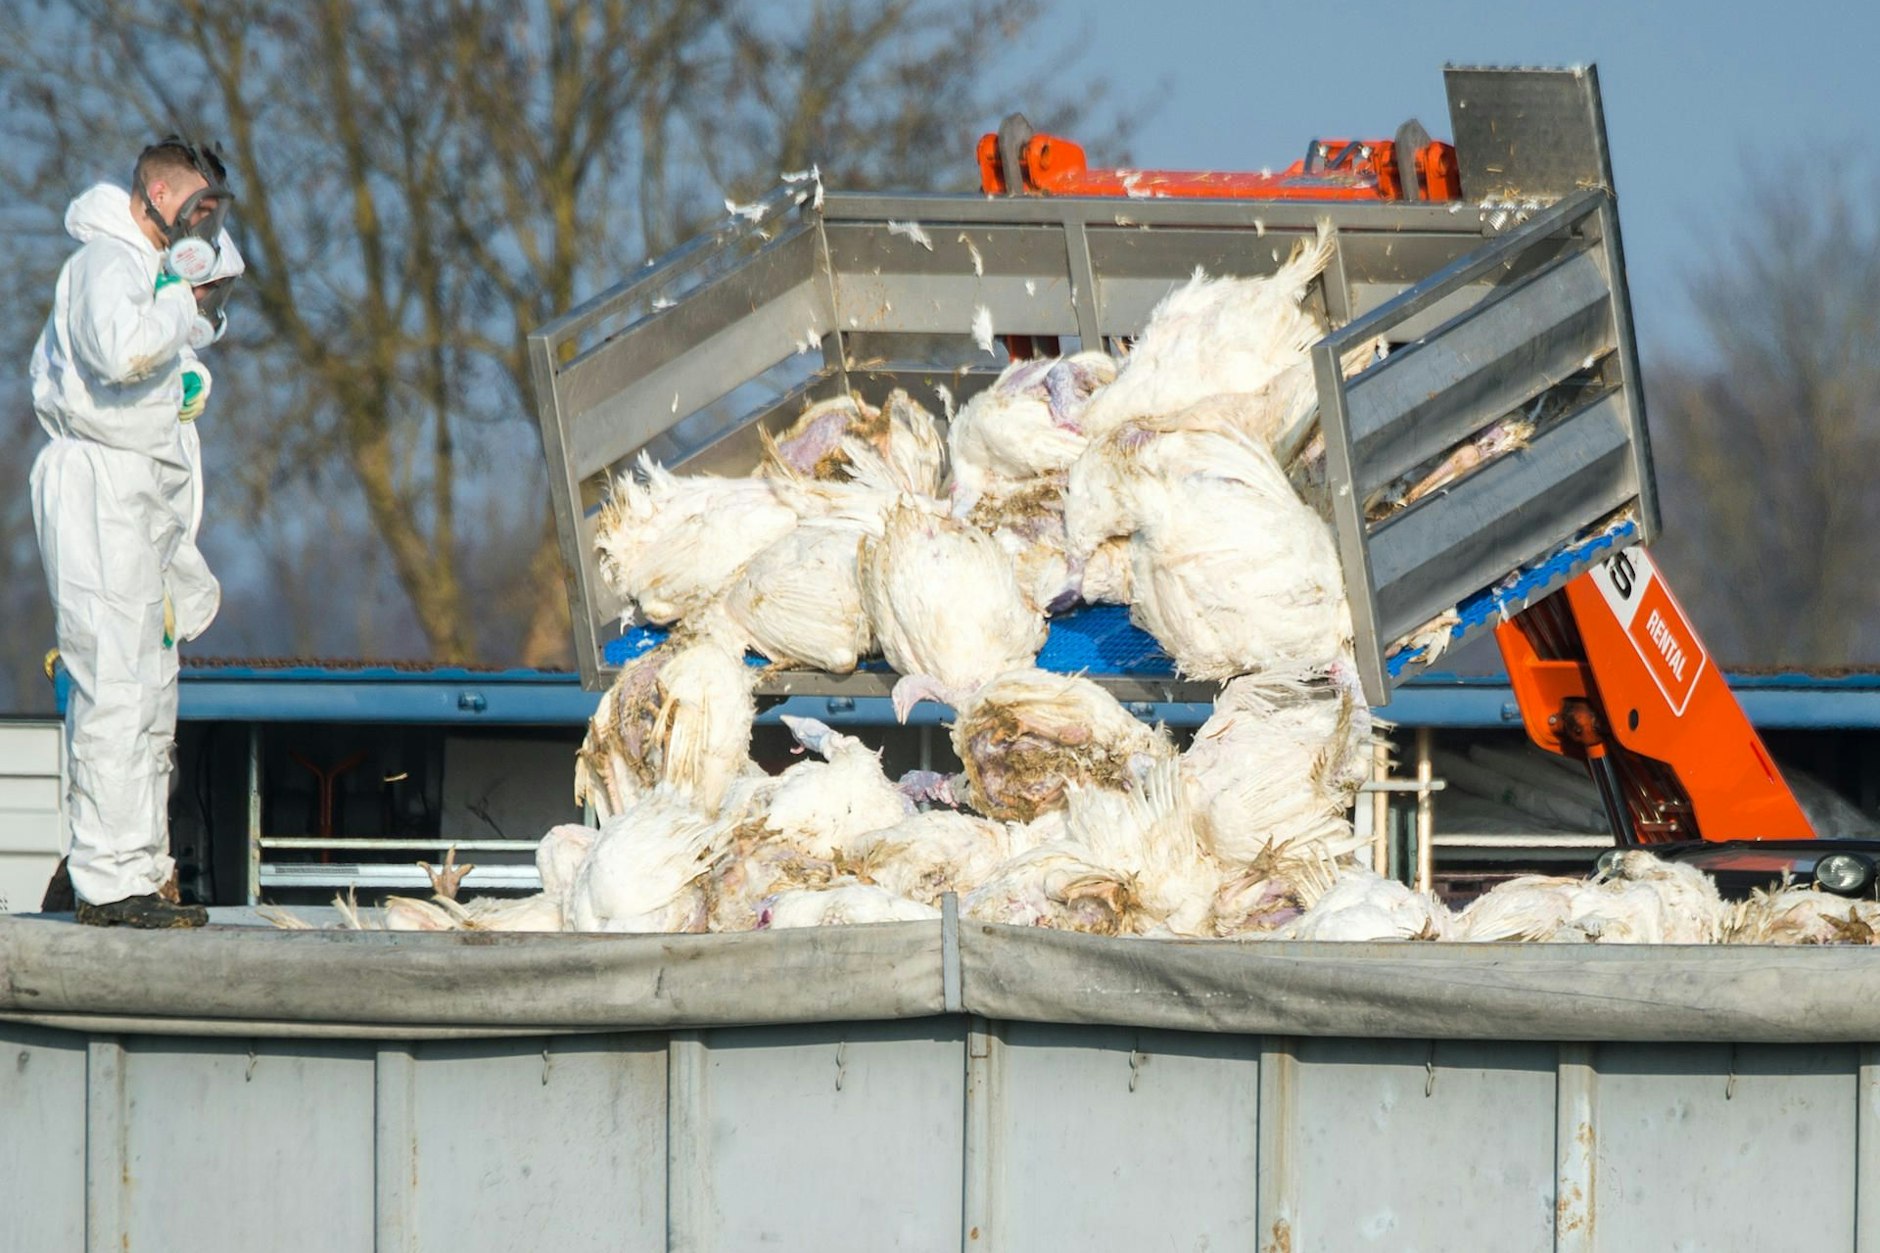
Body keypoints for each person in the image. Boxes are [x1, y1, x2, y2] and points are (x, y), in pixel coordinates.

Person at [30, 137, 243, 928]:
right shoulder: (104, 265)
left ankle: (139, 868)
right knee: (113, 682)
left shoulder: (145, 270)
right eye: (193, 204)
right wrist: (184, 307)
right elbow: (122, 349)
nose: (199, 221)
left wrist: (189, 338)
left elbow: (184, 324)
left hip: (136, 491)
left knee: (152, 689)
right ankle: (106, 879)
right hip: (98, 488)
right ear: (154, 190)